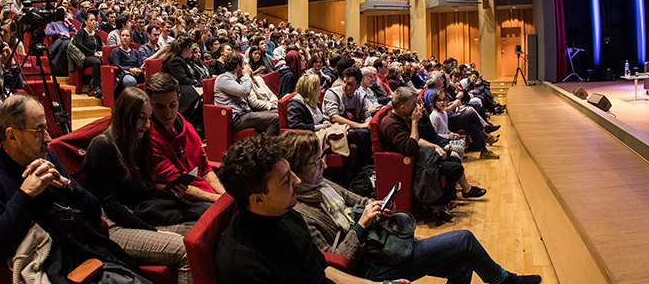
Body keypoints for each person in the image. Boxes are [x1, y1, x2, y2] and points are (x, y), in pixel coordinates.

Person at [277, 131, 542, 284]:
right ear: (297, 169)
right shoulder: (299, 212)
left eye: (321, 159)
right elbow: (336, 262)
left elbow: (356, 201)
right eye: (315, 163)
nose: (324, 166)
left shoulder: (323, 185)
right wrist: (361, 226)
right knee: (465, 239)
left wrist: (375, 205)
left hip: (382, 246)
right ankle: (505, 281)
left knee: (462, 265)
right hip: (371, 266)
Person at [0, 94, 152, 282]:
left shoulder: (47, 158)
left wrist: (68, 186)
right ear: (12, 136)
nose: (48, 138)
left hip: (86, 255)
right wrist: (26, 194)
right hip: (52, 268)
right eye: (39, 130)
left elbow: (93, 212)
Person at [214, 135, 405, 284]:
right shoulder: (242, 266)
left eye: (292, 173)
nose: (297, 181)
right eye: (286, 180)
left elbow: (323, 270)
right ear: (257, 199)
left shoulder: (288, 215)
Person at [84, 87, 205, 284]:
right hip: (111, 227)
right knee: (185, 249)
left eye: (149, 118)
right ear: (125, 116)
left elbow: (140, 193)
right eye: (141, 118)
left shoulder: (137, 142)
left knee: (203, 231)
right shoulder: (102, 146)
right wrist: (152, 230)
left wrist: (171, 194)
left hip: (135, 214)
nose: (147, 125)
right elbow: (111, 205)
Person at [380, 87, 485, 221]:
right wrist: (414, 122)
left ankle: (441, 202)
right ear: (402, 107)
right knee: (456, 168)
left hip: (419, 156)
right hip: (408, 164)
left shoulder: (402, 116)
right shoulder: (392, 124)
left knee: (454, 159)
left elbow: (417, 140)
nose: (416, 107)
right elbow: (410, 147)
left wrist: (435, 146)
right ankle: (436, 202)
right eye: (413, 104)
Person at [146, 73, 224, 202]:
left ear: (179, 99)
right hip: (182, 198)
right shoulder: (149, 137)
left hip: (204, 192)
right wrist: (218, 200)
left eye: (173, 105)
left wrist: (225, 196)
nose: (168, 113)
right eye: (159, 107)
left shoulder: (186, 126)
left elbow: (204, 169)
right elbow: (177, 184)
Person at [214, 52, 279, 136]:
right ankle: (263, 147)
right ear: (238, 66)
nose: (245, 68)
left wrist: (271, 104)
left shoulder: (238, 79)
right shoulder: (223, 79)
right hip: (236, 118)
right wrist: (247, 75)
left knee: (279, 112)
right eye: (243, 65)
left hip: (246, 113)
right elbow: (245, 92)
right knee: (276, 119)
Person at [71, 9, 103, 97]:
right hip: (84, 56)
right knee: (96, 62)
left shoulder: (96, 35)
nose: (93, 22)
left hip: (95, 55)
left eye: (94, 20)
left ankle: (100, 84)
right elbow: (79, 45)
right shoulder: (81, 32)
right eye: (91, 20)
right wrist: (93, 53)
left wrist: (100, 53)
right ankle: (95, 86)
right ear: (85, 22)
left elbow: (100, 47)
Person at [109, 27, 145, 99]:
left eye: (127, 36)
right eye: (123, 36)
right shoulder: (116, 51)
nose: (125, 38)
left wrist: (139, 70)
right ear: (120, 37)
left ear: (131, 38)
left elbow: (139, 64)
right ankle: (132, 103)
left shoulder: (135, 52)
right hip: (123, 74)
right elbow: (116, 66)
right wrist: (130, 70)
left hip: (137, 73)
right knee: (130, 81)